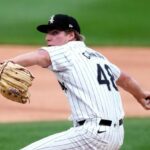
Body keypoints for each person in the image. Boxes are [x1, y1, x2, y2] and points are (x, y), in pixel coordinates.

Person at [4, 14, 150, 150]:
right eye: (47, 33)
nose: (48, 38)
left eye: (55, 33)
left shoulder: (65, 50)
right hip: (116, 135)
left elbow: (40, 56)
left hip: (91, 134)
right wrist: (141, 95)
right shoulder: (97, 56)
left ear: (71, 35)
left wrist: (4, 65)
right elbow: (125, 79)